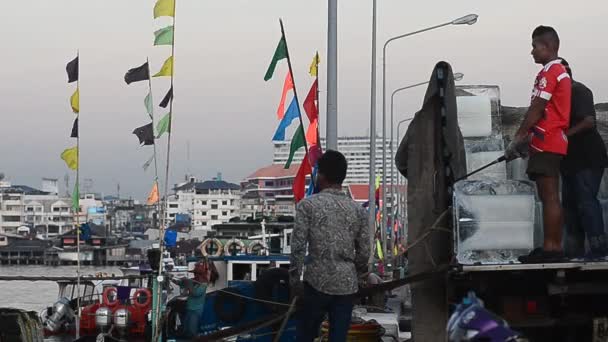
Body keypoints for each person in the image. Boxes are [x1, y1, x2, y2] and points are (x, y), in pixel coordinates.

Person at [290, 150, 371, 342]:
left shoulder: (307, 206)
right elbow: (364, 251)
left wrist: (295, 282)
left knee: (306, 336)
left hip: (316, 283)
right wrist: (358, 276)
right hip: (346, 286)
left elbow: (298, 248)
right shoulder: (358, 211)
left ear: (322, 175)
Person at [506, 25, 572, 263]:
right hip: (549, 140)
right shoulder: (558, 71)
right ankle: (551, 246)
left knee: (549, 196)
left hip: (548, 139)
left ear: (547, 46)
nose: (532, 51)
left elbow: (537, 108)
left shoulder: (551, 72)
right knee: (549, 196)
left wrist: (520, 136)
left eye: (534, 46)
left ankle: (552, 248)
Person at [559, 59, 608, 259]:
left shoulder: (578, 90)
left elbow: (588, 122)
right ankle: (574, 252)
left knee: (586, 202)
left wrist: (563, 136)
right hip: (569, 160)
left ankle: (599, 250)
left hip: (588, 158)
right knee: (570, 206)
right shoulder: (557, 96)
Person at [171, 261, 209, 338]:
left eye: (197, 273)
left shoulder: (204, 284)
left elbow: (195, 293)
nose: (195, 275)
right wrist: (171, 278)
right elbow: (179, 283)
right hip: (188, 309)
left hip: (196, 310)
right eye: (195, 273)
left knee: (192, 331)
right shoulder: (192, 280)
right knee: (185, 329)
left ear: (201, 275)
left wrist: (189, 283)